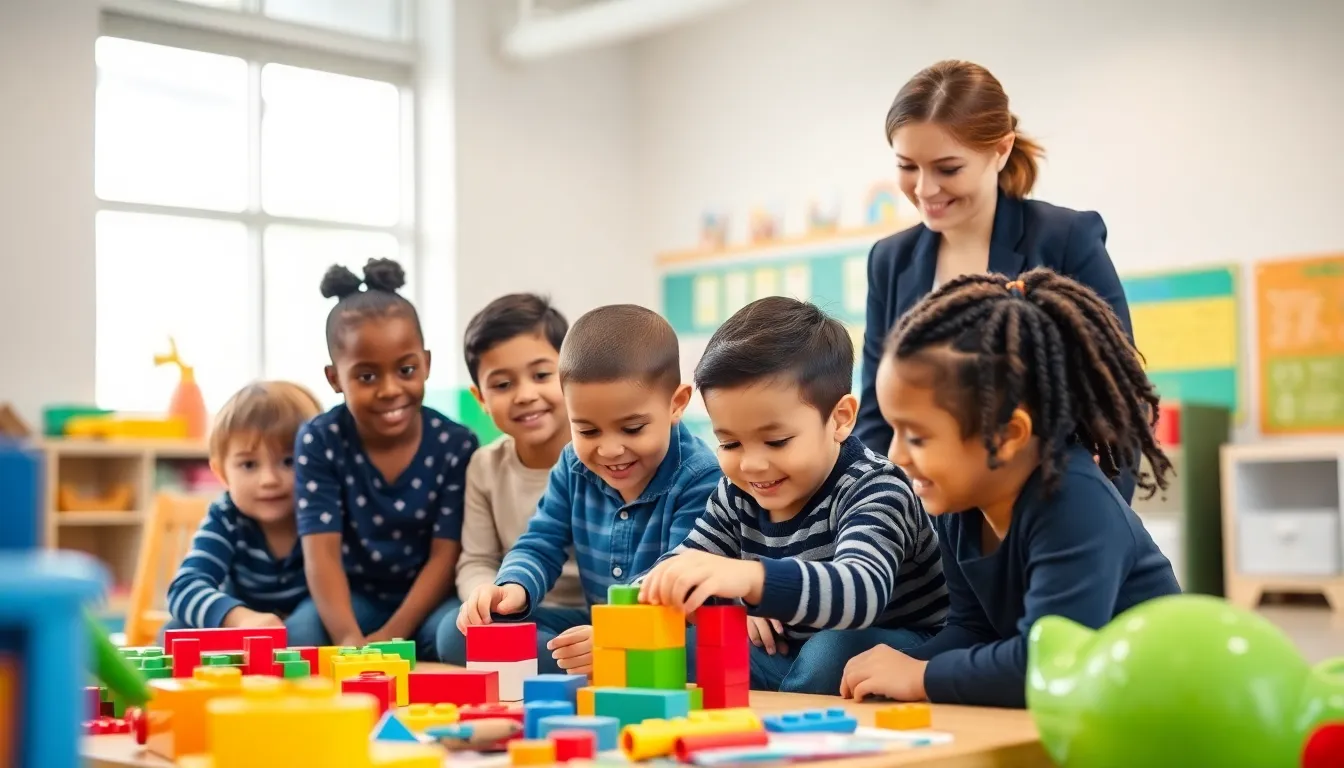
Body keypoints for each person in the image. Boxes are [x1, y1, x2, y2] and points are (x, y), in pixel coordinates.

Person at [839, 268, 1180, 709]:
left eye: (917, 437)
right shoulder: (960, 501)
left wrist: (921, 675)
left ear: (1007, 434)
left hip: (1157, 707)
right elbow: (973, 630)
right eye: (894, 431)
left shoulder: (1074, 503)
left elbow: (1049, 663)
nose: (896, 455)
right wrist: (898, 671)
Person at [855, 59, 1135, 502]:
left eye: (947, 168)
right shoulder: (890, 260)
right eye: (908, 166)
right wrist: (887, 519)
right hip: (931, 518)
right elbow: (875, 415)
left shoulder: (1064, 240)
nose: (925, 189)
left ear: (1001, 150)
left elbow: (1116, 397)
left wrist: (1095, 517)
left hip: (1047, 505)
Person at [638, 297, 948, 695]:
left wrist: (749, 581)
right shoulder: (737, 492)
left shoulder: (875, 486)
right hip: (786, 650)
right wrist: (634, 617)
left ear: (839, 419)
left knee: (831, 651)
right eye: (730, 444)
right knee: (685, 645)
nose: (751, 464)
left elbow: (860, 591)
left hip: (895, 644)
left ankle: (795, 715)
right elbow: (683, 563)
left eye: (776, 441)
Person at [455, 304, 721, 675]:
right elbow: (540, 542)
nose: (609, 450)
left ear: (675, 404)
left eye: (632, 429)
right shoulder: (573, 464)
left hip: (668, 625)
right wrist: (511, 588)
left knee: (704, 646)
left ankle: (609, 663)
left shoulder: (699, 475)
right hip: (593, 623)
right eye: (588, 431)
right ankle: (600, 664)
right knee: (471, 631)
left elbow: (677, 576)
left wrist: (617, 636)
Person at [289, 258, 479, 660]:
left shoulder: (455, 444)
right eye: (367, 376)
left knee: (455, 638)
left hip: (426, 603)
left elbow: (446, 555)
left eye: (406, 369)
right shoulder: (320, 439)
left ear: (426, 364)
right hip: (352, 600)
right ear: (334, 378)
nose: (391, 389)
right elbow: (321, 553)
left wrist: (392, 636)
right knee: (301, 635)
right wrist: (348, 638)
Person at [436, 293, 586, 665]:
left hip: (603, 611)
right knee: (452, 633)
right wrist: (483, 593)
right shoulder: (485, 466)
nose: (525, 395)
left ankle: (593, 660)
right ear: (480, 398)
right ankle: (580, 664)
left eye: (541, 375)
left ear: (570, 374)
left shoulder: (605, 455)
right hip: (526, 608)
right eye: (502, 385)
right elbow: (477, 558)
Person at [165, 381, 323, 642]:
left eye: (288, 461)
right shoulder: (226, 516)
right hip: (241, 625)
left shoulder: (322, 509)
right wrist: (240, 618)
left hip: (307, 626)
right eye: (249, 465)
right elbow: (184, 587)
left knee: (307, 627)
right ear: (221, 473)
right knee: (174, 631)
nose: (269, 479)